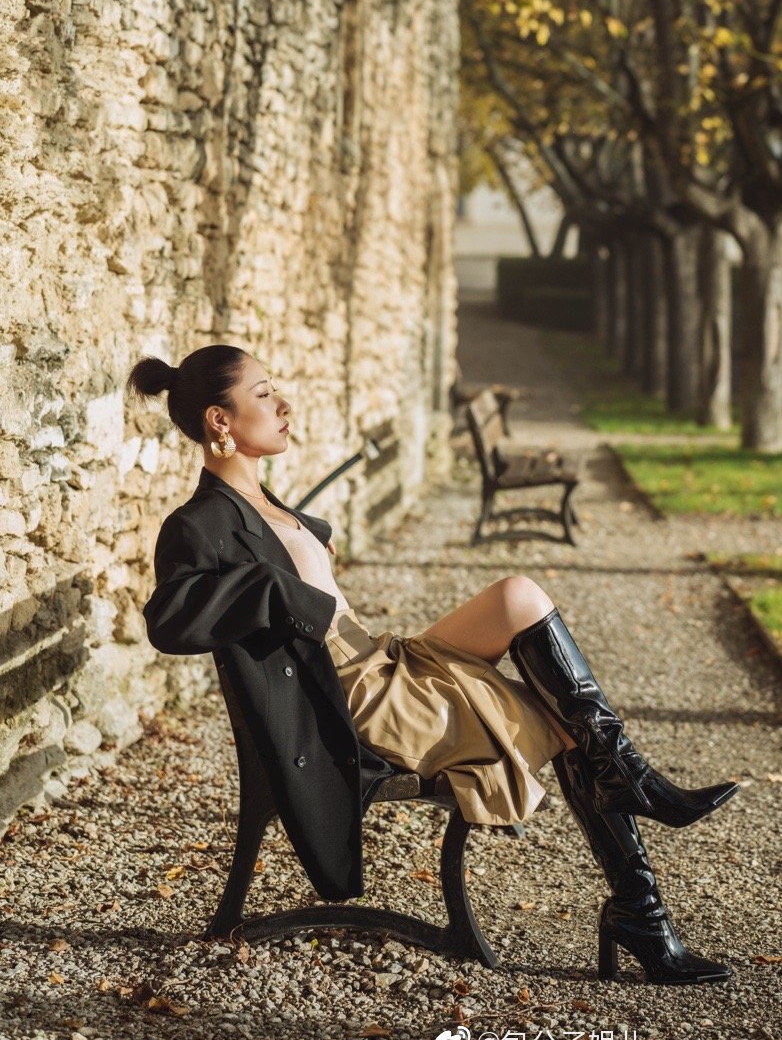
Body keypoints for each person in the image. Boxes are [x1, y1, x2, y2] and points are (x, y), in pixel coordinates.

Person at [126, 344, 740, 985]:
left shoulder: (266, 502)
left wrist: (307, 540)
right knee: (569, 722)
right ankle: (642, 908)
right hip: (359, 700)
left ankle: (629, 787)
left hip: (385, 659)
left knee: (519, 596)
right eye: (263, 394)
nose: (283, 405)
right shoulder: (197, 524)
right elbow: (169, 621)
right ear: (219, 421)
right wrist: (275, 590)